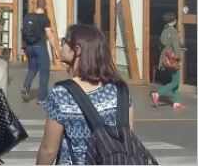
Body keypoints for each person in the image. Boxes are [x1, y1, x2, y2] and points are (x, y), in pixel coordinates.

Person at [37, 24, 137, 165]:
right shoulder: (120, 90)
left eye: (65, 41)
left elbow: (49, 150)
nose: (61, 44)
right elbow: (128, 139)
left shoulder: (63, 93)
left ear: (77, 50)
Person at [21, 0, 61, 104]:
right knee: (44, 72)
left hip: (29, 47)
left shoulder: (28, 16)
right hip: (40, 47)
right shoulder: (45, 19)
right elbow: (50, 35)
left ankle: (26, 87)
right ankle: (42, 98)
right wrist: (56, 50)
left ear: (36, 6)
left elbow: (24, 31)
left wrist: (24, 47)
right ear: (45, 7)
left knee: (32, 69)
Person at [153, 12, 187, 109]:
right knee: (176, 81)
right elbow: (176, 46)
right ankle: (158, 94)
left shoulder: (164, 30)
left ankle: (176, 102)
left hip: (165, 58)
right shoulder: (173, 31)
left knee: (174, 79)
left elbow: (160, 45)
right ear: (174, 20)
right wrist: (179, 58)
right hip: (173, 59)